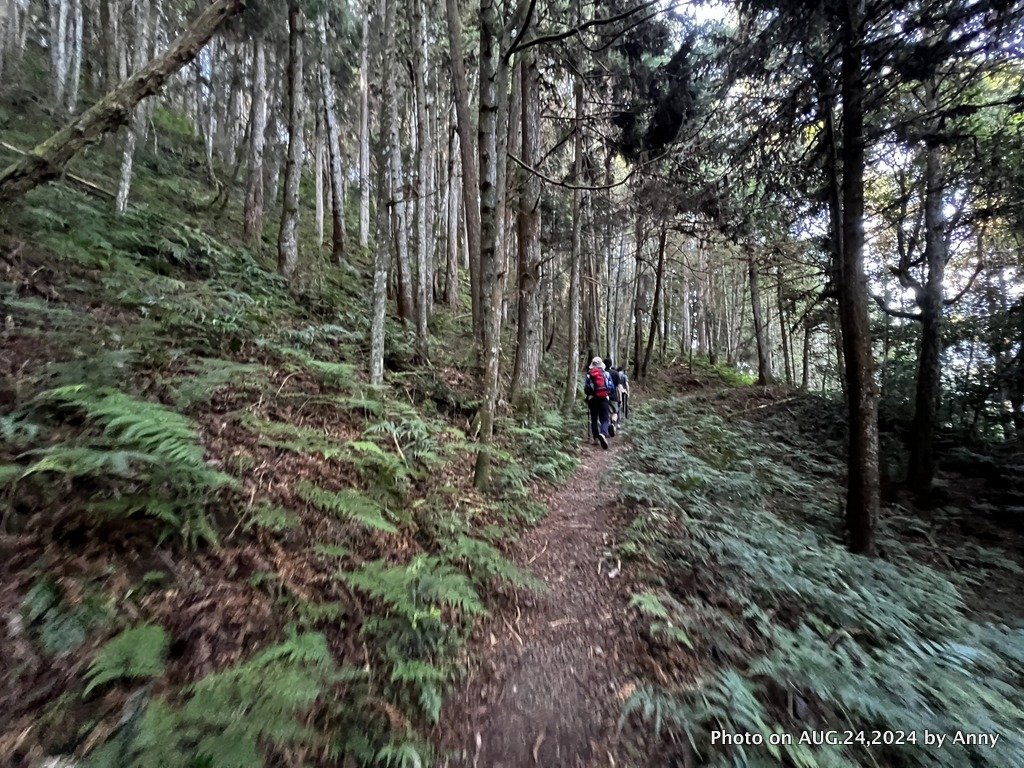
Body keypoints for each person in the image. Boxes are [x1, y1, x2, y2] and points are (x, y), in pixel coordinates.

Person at [583, 356, 611, 449]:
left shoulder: (589, 375)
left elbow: (586, 389)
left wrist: (591, 394)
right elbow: (611, 387)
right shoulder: (606, 374)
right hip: (603, 398)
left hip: (592, 399)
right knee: (605, 418)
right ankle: (603, 433)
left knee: (594, 419)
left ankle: (595, 439)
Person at [604, 358, 622, 435]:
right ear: (611, 364)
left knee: (606, 411)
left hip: (603, 395)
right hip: (613, 395)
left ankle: (606, 427)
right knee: (615, 411)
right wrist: (620, 397)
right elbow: (619, 386)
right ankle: (613, 422)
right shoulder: (615, 373)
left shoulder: (602, 372)